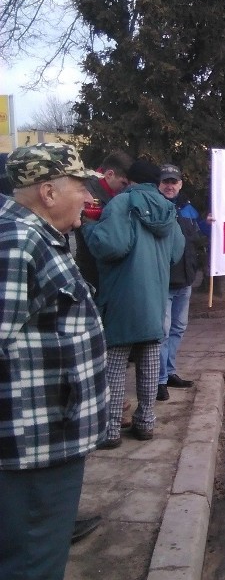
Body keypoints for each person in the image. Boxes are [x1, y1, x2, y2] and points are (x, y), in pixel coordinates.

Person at [0, 143, 108, 579]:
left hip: (50, 434)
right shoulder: (17, 241)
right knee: (33, 560)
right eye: (80, 187)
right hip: (32, 444)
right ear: (47, 192)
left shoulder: (38, 235)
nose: (87, 198)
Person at [83, 160, 184, 445]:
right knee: (150, 363)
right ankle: (145, 423)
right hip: (154, 297)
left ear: (130, 181)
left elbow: (110, 246)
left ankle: (111, 430)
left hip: (121, 297)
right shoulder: (168, 209)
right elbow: (176, 252)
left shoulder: (121, 203)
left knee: (114, 366)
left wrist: (90, 226)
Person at [156, 164, 209, 400]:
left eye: (173, 182)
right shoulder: (155, 207)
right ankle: (158, 381)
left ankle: (169, 372)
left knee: (178, 328)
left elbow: (199, 236)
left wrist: (208, 222)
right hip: (163, 281)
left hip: (185, 280)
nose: (169, 185)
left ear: (180, 184)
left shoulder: (188, 209)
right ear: (159, 184)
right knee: (163, 332)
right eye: (165, 181)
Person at [74, 151, 134, 290]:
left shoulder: (118, 193)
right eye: (123, 183)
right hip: (91, 267)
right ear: (109, 174)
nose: (125, 188)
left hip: (110, 267)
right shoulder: (87, 194)